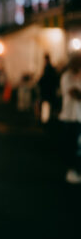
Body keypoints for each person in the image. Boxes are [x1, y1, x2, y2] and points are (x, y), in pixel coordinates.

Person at [59, 54, 81, 184]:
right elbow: (75, 94)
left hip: (78, 117)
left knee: (78, 146)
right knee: (71, 146)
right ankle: (72, 171)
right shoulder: (67, 77)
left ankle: (76, 170)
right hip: (69, 117)